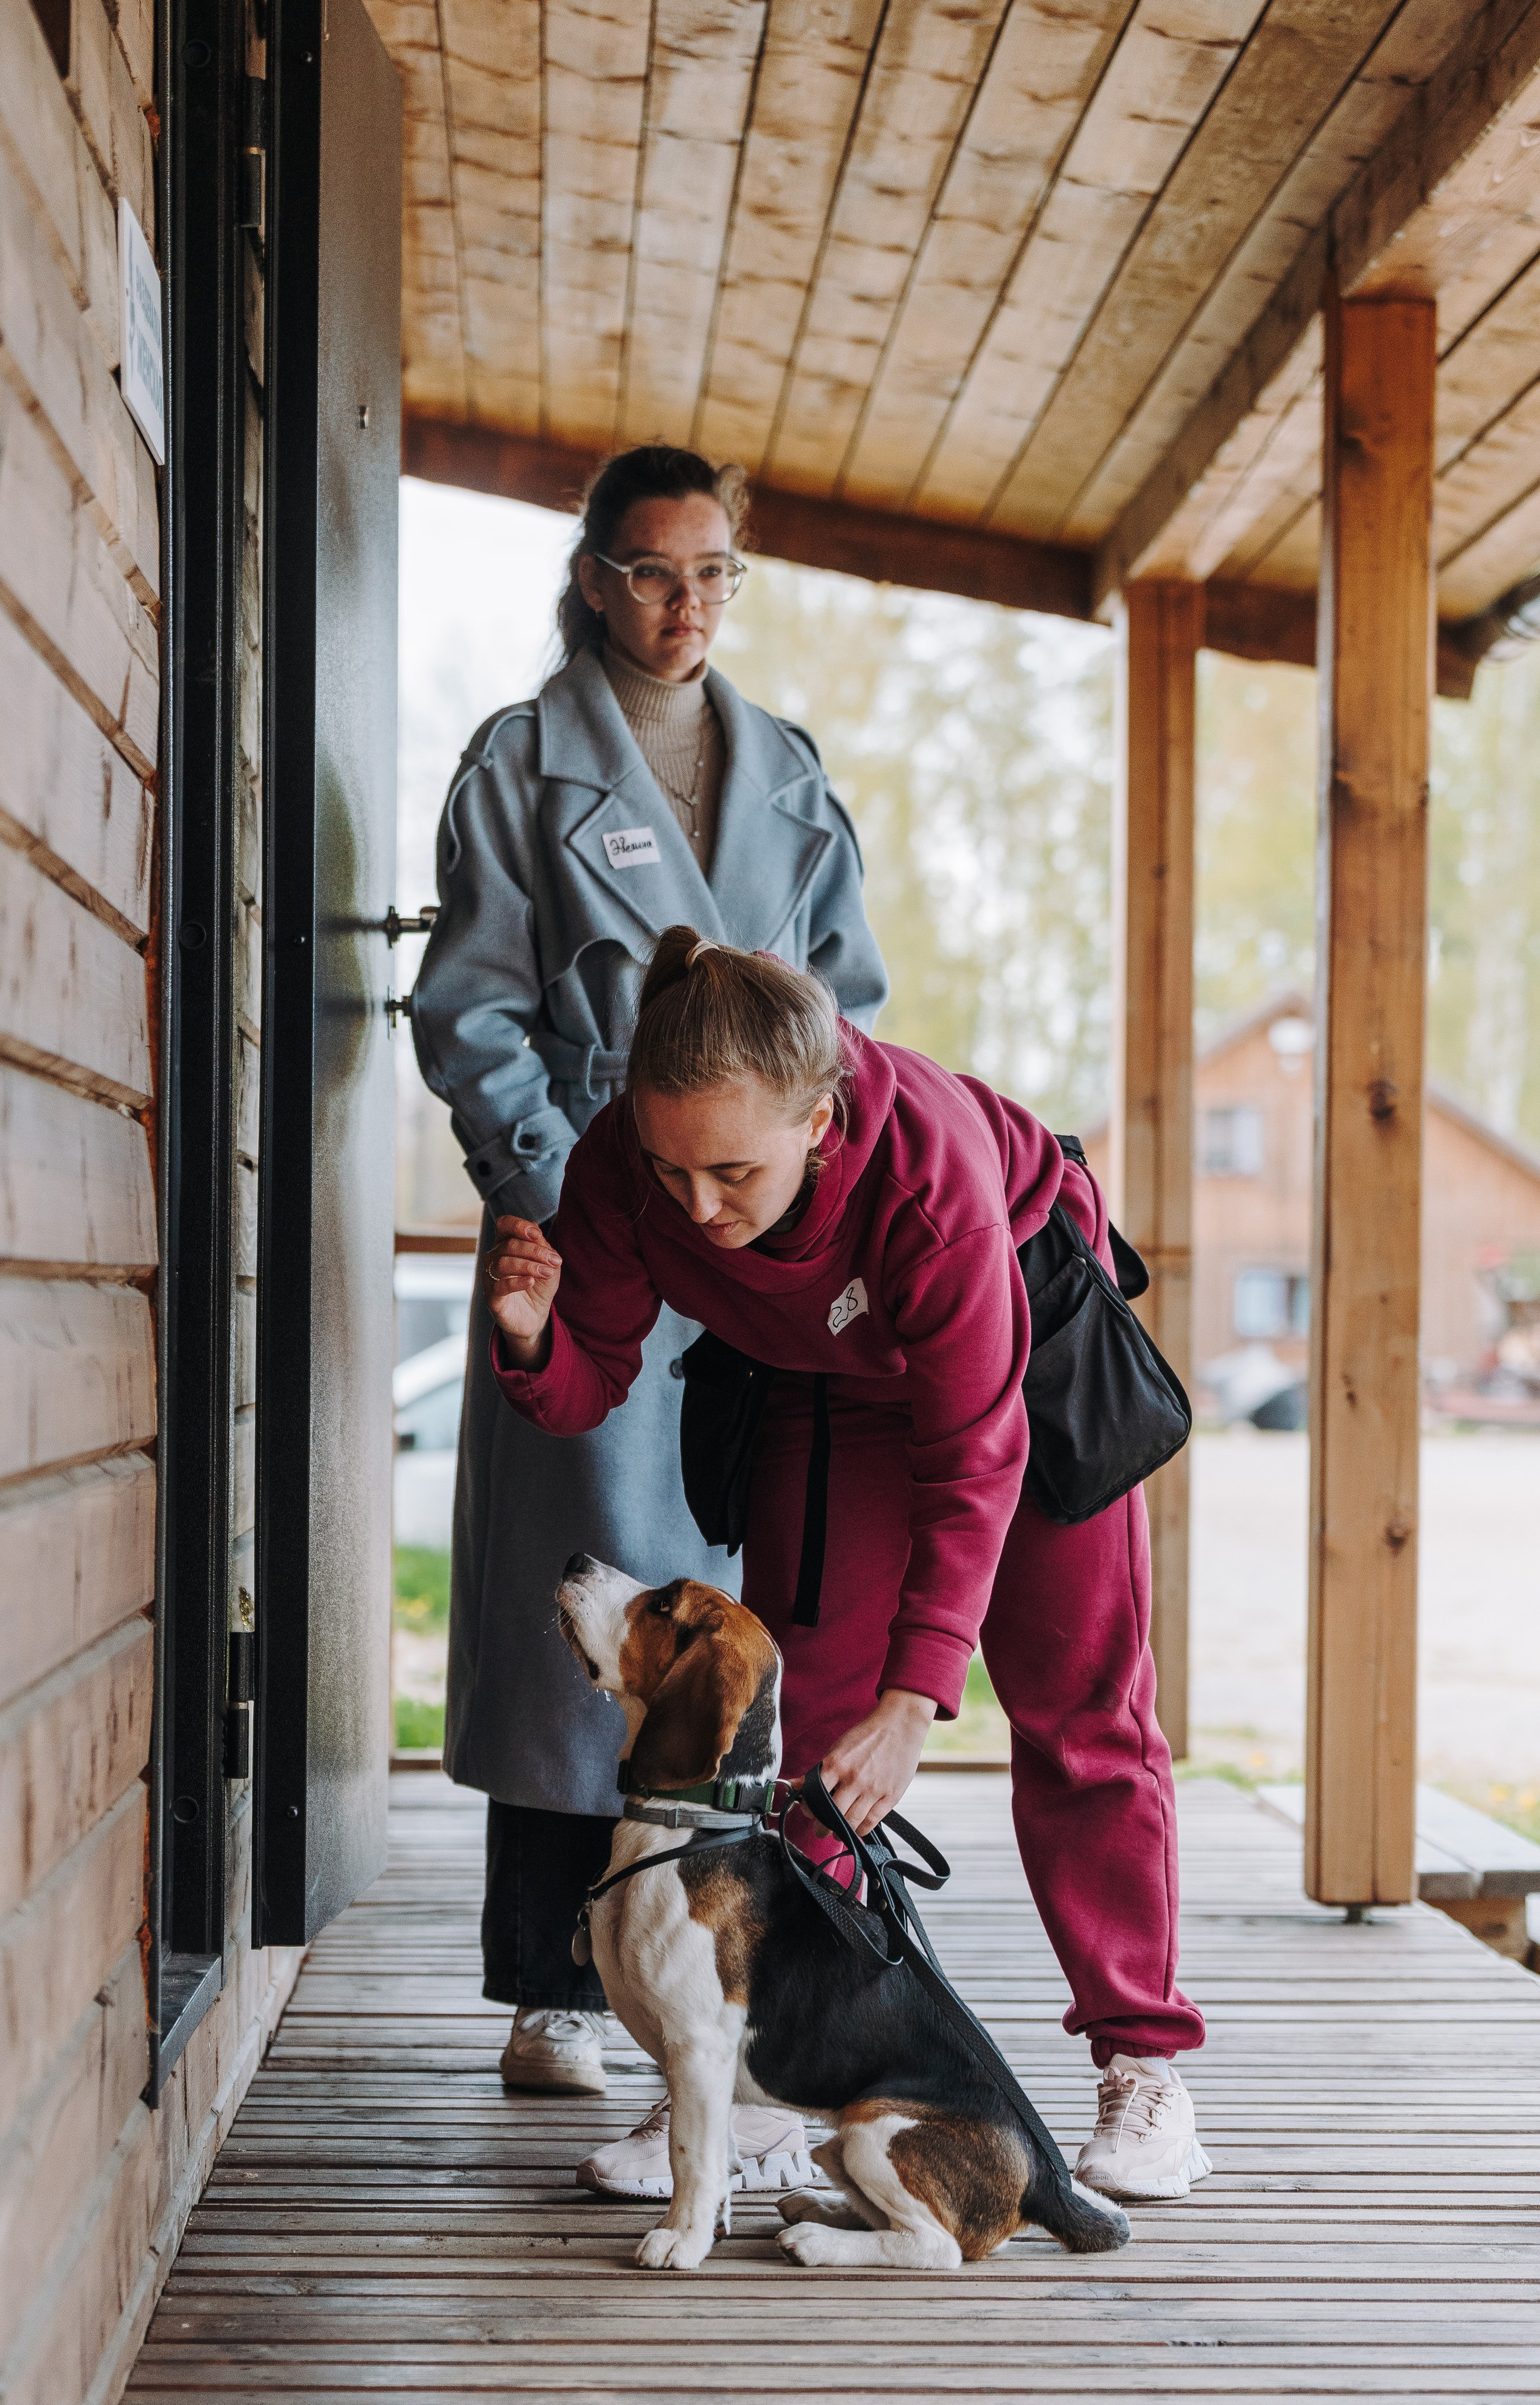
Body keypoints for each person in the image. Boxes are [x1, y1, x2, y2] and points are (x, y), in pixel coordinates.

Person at [480, 931, 1210, 2205]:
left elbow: (976, 1455)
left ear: (819, 1120)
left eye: (733, 1171)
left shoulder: (927, 1175)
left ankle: (1142, 2065)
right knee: (796, 1728)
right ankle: (761, 2086)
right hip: (826, 1382)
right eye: (670, 1168)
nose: (697, 1207)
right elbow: (594, 1375)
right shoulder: (624, 1167)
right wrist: (535, 1340)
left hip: (1021, 1343)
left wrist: (917, 1698)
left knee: (1081, 1709)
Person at [408, 446, 887, 2173]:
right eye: (651, 571)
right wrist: (568, 1175)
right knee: (582, 1615)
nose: (685, 606)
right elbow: (468, 1006)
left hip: (758, 1227)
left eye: (713, 574)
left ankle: (731, 1966)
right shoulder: (518, 762)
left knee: (735, 1600)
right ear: (592, 575)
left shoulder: (791, 775)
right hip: (596, 1215)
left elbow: (851, 1003)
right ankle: (551, 1981)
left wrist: (792, 1182)